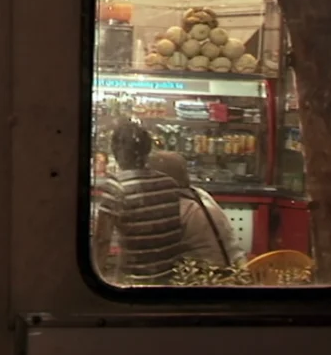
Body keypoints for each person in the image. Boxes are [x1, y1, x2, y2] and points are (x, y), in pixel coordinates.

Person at [93, 121, 183, 285]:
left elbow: (102, 240)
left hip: (135, 283)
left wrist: (95, 278)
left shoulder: (116, 186)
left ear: (116, 151)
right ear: (148, 150)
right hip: (171, 280)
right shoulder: (170, 183)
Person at [147, 151, 248, 267]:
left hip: (209, 279)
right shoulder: (200, 194)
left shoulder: (176, 207)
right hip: (237, 271)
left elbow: (154, 253)